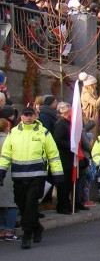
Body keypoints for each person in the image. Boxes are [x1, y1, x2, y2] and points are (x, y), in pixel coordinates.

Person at [0, 105, 64, 249]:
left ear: (35, 116)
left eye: (31, 115)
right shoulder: (13, 133)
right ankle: (37, 227)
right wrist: (1, 172)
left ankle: (27, 235)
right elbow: (5, 155)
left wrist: (58, 174)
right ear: (21, 117)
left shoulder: (44, 133)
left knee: (30, 204)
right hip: (18, 176)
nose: (28, 117)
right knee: (22, 205)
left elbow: (53, 155)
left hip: (37, 175)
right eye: (26, 115)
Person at [0, 118, 19, 242]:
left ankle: (1, 229)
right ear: (7, 127)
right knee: (13, 204)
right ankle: (8, 231)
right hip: (7, 174)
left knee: (1, 204)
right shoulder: (9, 140)